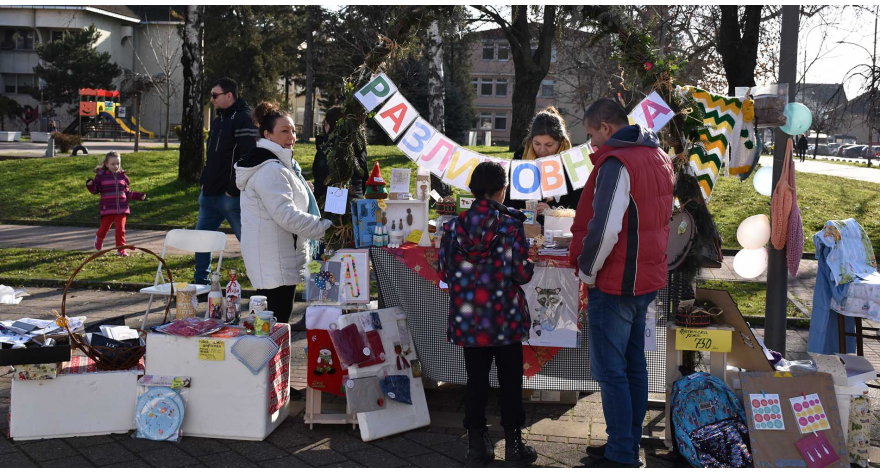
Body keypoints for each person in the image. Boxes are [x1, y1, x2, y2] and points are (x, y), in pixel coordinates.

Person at [569, 99, 673, 468]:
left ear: (607, 127)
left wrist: (587, 272)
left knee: (612, 371)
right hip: (645, 278)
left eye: (592, 135)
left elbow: (606, 227)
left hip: (616, 281)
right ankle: (624, 444)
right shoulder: (657, 157)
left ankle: (621, 452)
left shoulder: (618, 162)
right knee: (632, 366)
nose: (592, 144)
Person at [438, 162, 538, 467]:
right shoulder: (509, 226)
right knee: (510, 381)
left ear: (472, 190)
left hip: (469, 317)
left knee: (476, 381)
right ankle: (514, 446)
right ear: (502, 191)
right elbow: (520, 273)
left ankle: (476, 447)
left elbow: (444, 270)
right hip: (504, 317)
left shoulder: (454, 227)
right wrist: (529, 261)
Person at [235, 102, 332, 333]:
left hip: (278, 259)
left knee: (271, 330)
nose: (292, 136)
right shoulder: (271, 169)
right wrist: (326, 228)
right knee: (272, 332)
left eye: (293, 130)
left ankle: (270, 368)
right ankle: (266, 369)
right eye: (284, 131)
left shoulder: (280, 165)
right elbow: (286, 216)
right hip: (273, 263)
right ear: (267, 134)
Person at [194, 77, 258, 284]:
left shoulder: (244, 118)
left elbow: (248, 155)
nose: (211, 99)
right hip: (209, 194)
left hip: (230, 196)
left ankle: (261, 283)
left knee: (248, 242)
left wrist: (232, 189)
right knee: (201, 241)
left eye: (215, 95)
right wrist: (204, 180)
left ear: (229, 95)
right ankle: (201, 284)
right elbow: (211, 154)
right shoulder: (219, 119)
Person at [504, 106, 577, 214]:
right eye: (537, 144)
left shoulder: (572, 162)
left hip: (560, 226)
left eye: (549, 145)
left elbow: (579, 203)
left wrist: (551, 209)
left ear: (561, 142)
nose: (542, 150)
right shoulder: (520, 157)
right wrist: (525, 209)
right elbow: (509, 199)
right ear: (531, 140)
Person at [86, 151, 147, 257]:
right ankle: (99, 238)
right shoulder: (101, 176)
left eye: (118, 164)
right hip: (108, 208)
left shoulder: (123, 177)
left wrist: (138, 196)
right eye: (113, 164)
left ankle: (121, 249)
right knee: (104, 228)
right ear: (106, 164)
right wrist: (90, 185)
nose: (116, 166)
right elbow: (95, 190)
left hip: (122, 208)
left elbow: (126, 193)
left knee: (120, 230)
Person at [312, 106, 369, 201]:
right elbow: (364, 177)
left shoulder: (326, 147)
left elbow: (319, 177)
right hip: (355, 200)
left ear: (327, 124)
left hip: (328, 202)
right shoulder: (359, 146)